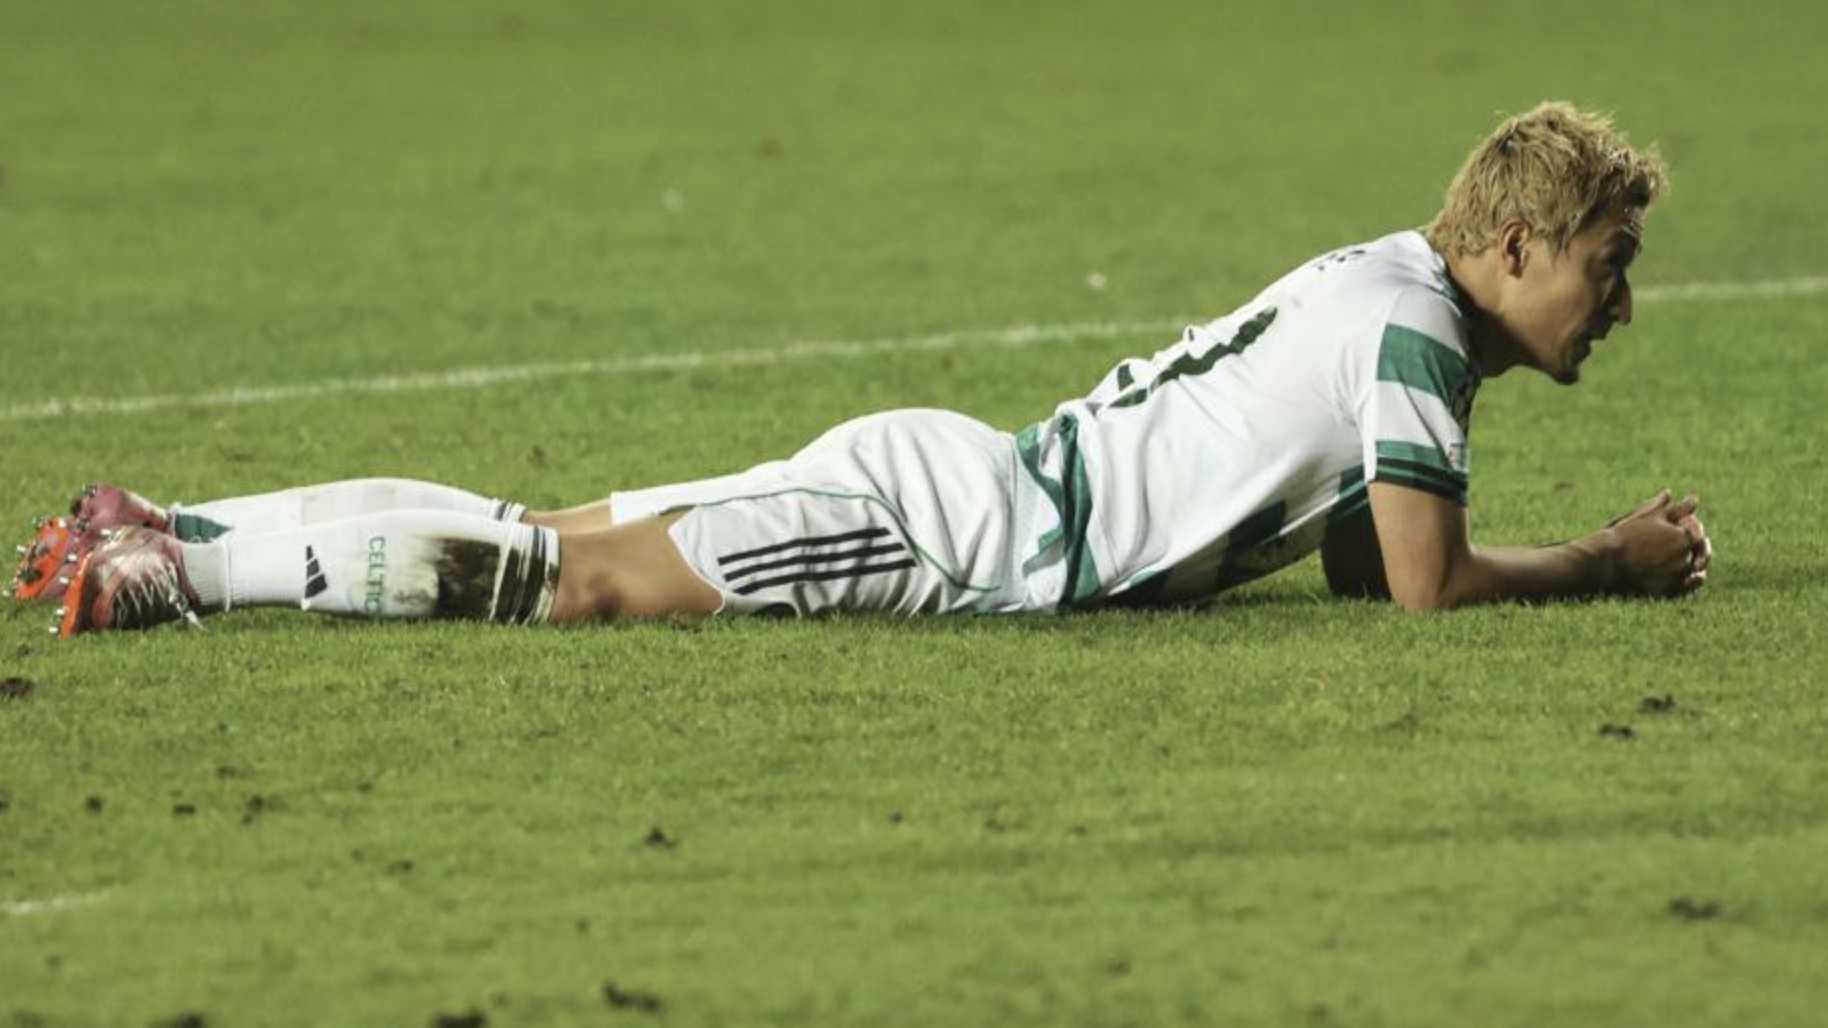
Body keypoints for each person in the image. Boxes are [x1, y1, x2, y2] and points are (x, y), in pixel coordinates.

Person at [14, 101, 1711, 639]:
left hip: (955, 478)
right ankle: (184, 576)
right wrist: (1608, 563)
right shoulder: (1414, 333)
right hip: (965, 534)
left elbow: (1357, 554)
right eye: (1606, 262)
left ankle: (172, 525)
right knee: (573, 584)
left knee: (547, 534)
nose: (1618, 301)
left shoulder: (1392, 287)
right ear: (1514, 247)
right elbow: (1419, 588)